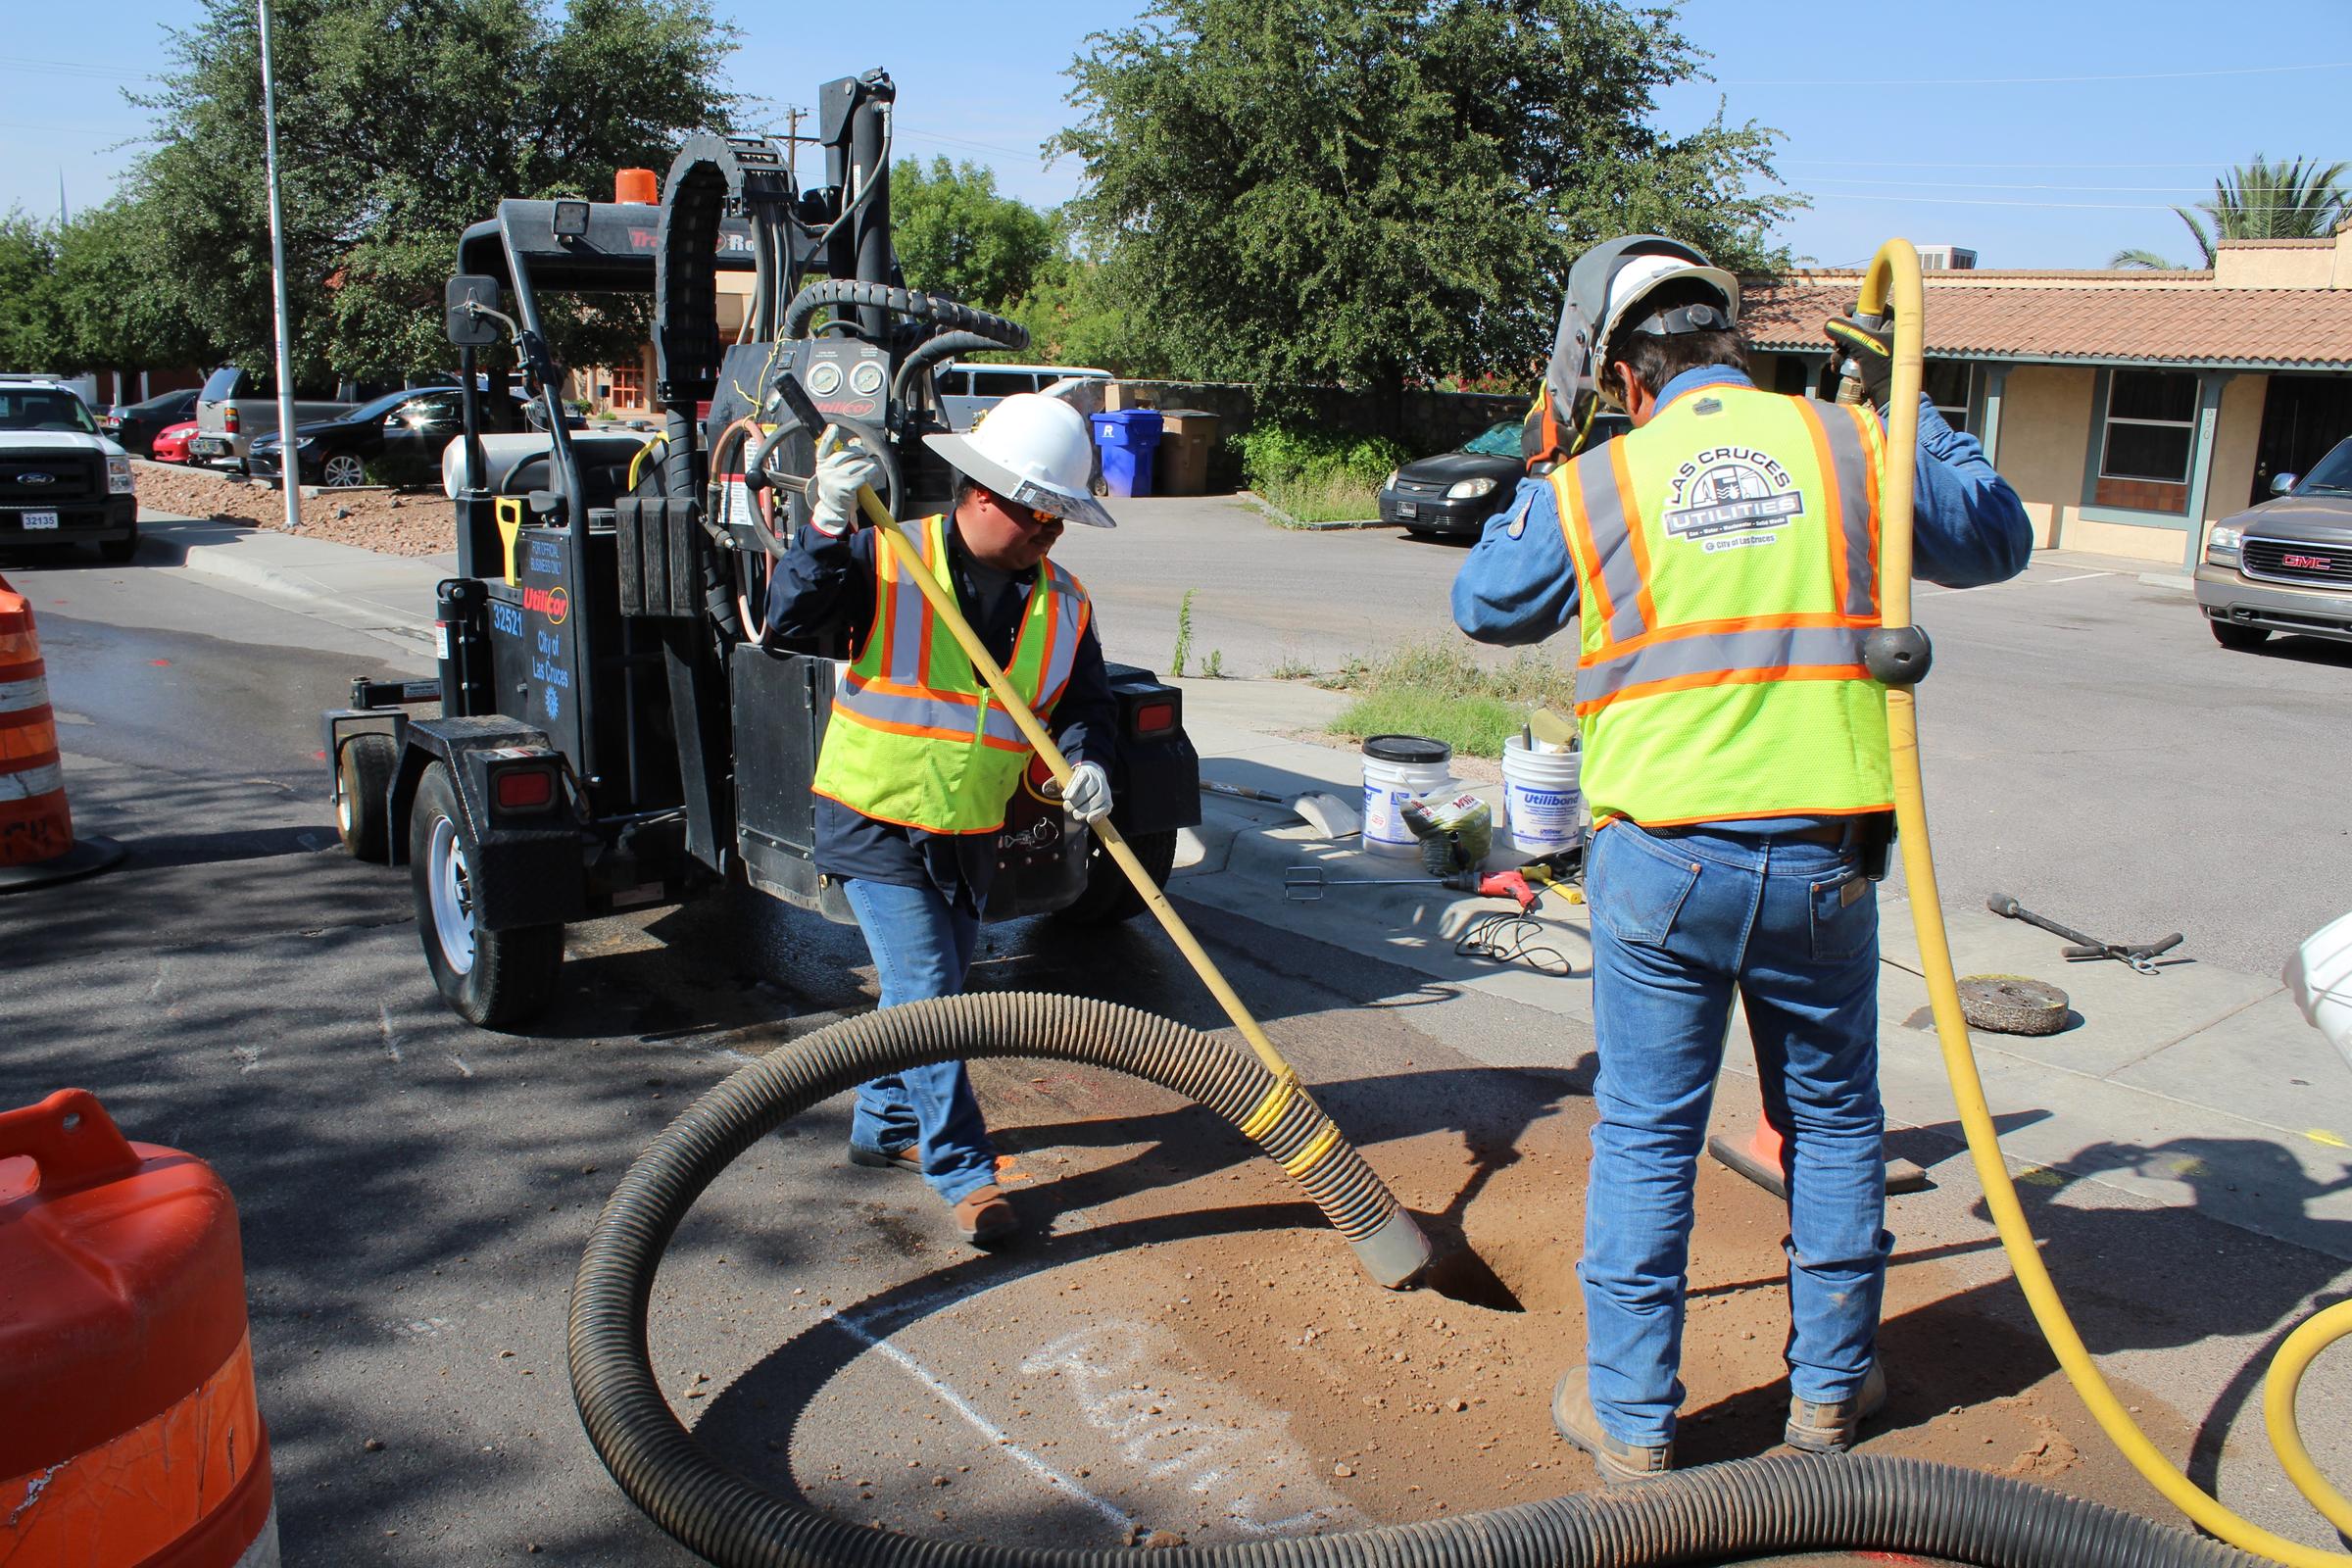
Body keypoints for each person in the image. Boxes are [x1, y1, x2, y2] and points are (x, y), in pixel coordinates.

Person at [1452, 235, 2032, 1480]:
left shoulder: (1603, 474)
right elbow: (1994, 539)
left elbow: (1487, 603)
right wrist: (1906, 401)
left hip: (1664, 862)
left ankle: (1636, 1425)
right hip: (1826, 857)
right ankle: (1828, 1400)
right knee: (1830, 1129)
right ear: (1732, 341)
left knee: (1649, 1138)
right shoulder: (1849, 442)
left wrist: (1549, 440)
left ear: (1620, 375)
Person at [762, 392, 1120, 1248]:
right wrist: (821, 523)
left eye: (1061, 522)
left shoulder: (1064, 604)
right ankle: (962, 1171)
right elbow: (786, 623)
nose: (1049, 536)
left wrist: (1090, 760)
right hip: (875, 817)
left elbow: (1084, 705)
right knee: (931, 996)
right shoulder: (884, 555)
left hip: (969, 827)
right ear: (982, 494)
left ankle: (883, 1121)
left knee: (929, 991)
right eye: (1039, 515)